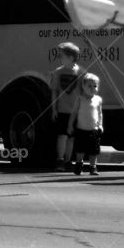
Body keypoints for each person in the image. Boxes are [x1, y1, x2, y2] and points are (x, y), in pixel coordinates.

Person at [50, 42, 83, 171]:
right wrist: (54, 109)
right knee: (62, 135)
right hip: (62, 110)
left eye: (62, 56)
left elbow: (84, 92)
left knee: (71, 137)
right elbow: (54, 91)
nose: (60, 58)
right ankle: (60, 159)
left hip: (76, 111)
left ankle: (69, 160)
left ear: (70, 57)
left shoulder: (80, 72)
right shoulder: (58, 72)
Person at [67, 72, 103, 176]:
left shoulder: (98, 100)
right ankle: (79, 164)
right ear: (83, 87)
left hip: (94, 129)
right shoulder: (80, 99)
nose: (93, 88)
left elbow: (100, 113)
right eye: (89, 86)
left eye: (95, 86)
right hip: (81, 129)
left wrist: (101, 125)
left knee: (94, 150)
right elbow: (73, 113)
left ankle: (93, 167)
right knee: (80, 149)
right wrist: (70, 125)